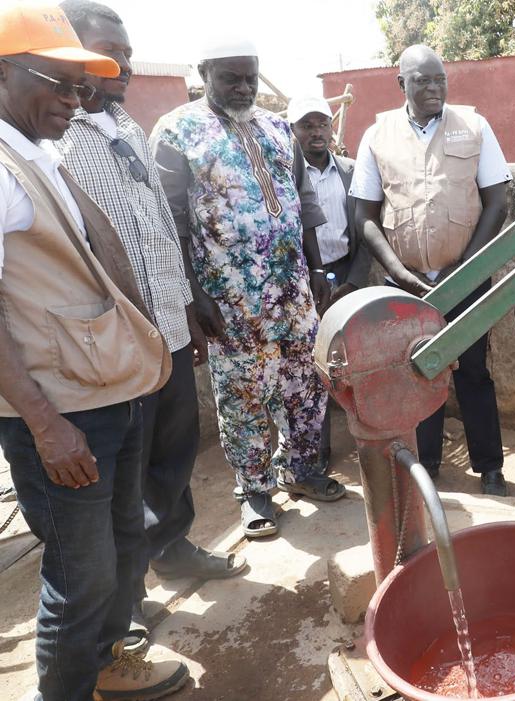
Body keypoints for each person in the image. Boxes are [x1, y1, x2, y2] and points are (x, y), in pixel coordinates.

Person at [0, 5, 188, 699]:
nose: (75, 101)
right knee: (79, 580)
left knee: (121, 551)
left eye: (83, 88)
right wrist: (47, 426)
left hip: (110, 392)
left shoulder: (37, 148)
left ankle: (109, 663)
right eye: (60, 82)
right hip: (63, 412)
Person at [55, 0, 247, 644]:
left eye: (130, 55)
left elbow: (160, 227)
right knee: (124, 480)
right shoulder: (56, 140)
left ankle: (175, 547)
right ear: (71, 55)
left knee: (172, 454)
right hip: (114, 345)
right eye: (112, 55)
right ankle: (127, 599)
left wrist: (187, 305)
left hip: (167, 327)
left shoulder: (123, 125)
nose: (126, 68)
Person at [150, 38, 346, 540]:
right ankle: (255, 490)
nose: (242, 88)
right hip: (230, 298)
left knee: (306, 382)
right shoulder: (176, 131)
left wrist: (317, 271)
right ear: (205, 71)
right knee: (244, 394)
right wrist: (194, 296)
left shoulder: (279, 127)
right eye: (230, 78)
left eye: (250, 78)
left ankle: (301, 471)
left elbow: (303, 205)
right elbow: (170, 222)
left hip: (293, 290)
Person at [352, 44, 511, 496]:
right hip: (405, 284)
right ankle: (428, 467)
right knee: (417, 373)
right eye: (422, 80)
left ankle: (490, 468)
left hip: (467, 277)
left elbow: (497, 201)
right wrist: (397, 271)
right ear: (401, 83)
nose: (434, 88)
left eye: (440, 79)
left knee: (474, 372)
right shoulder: (377, 135)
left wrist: (468, 266)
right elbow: (364, 213)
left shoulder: (474, 126)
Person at [288, 94, 369, 468]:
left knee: (356, 360)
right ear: (292, 131)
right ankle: (316, 451)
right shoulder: (282, 174)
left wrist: (352, 283)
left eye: (323, 123)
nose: (317, 132)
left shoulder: (352, 172)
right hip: (303, 281)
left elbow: (369, 230)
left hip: (346, 277)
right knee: (309, 367)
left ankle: (369, 437)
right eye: (307, 125)